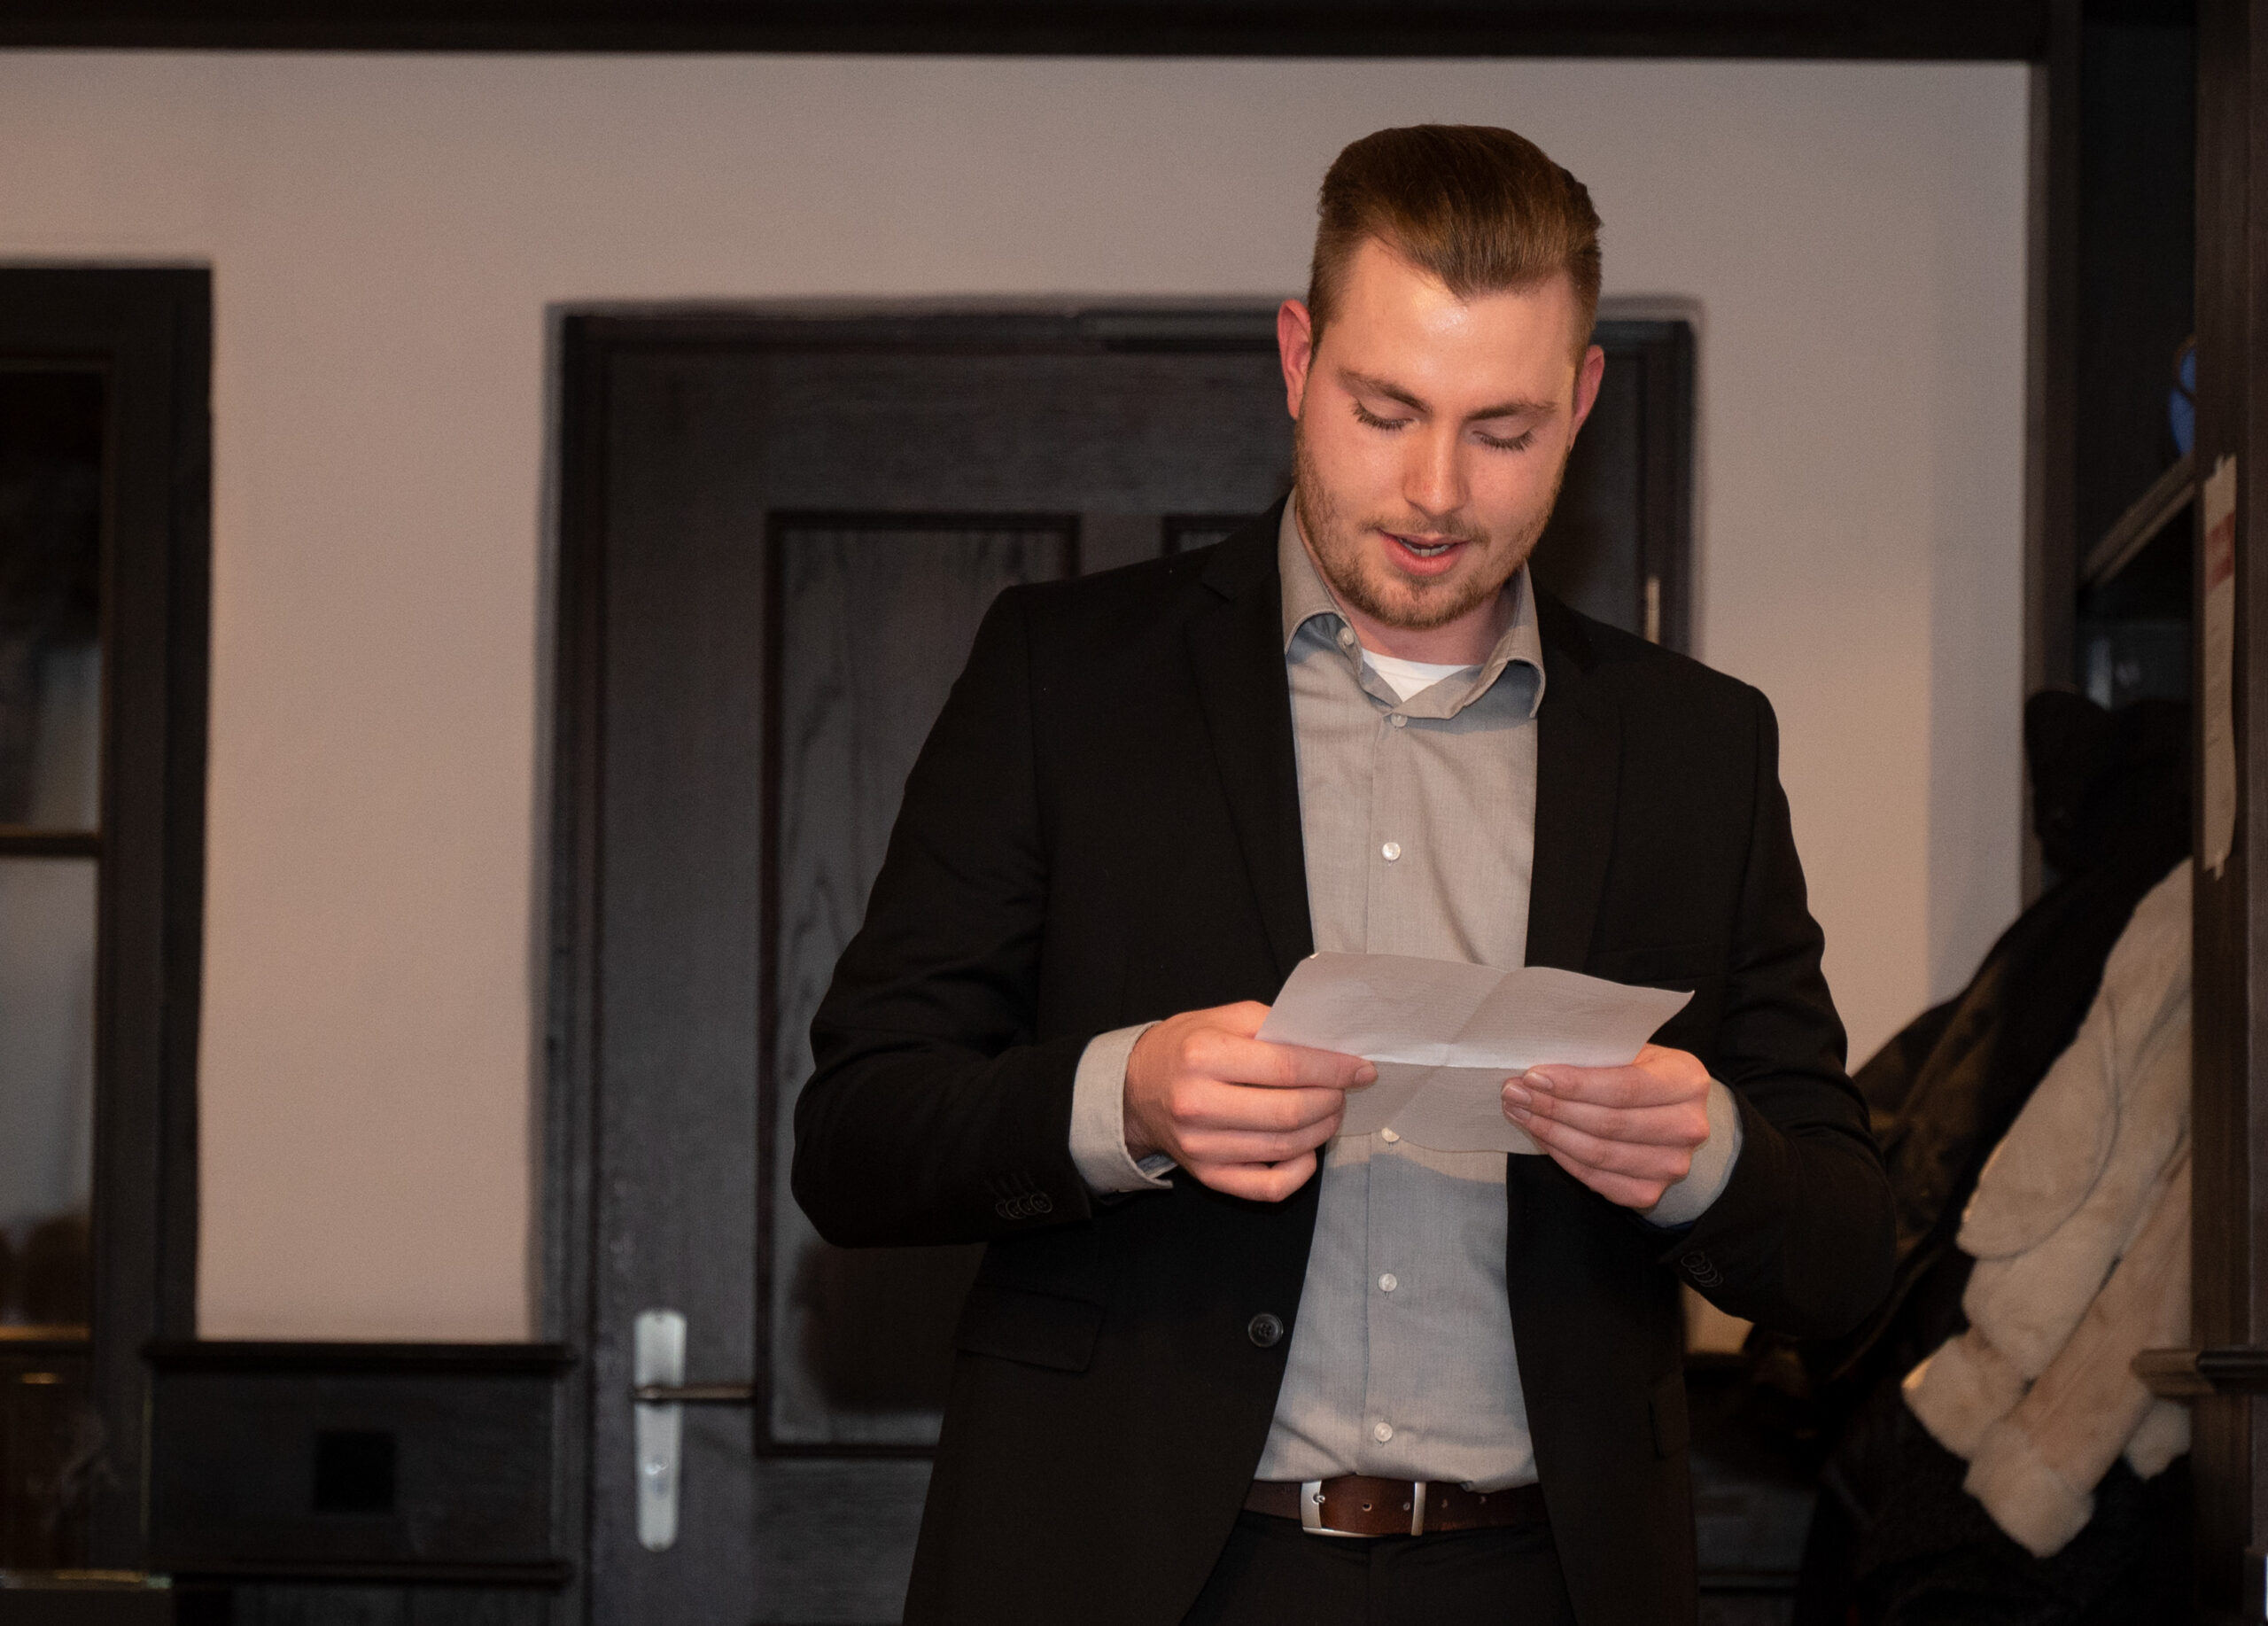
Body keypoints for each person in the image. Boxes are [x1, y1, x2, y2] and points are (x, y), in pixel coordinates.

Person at [795, 123, 1895, 1626]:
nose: (1438, 490)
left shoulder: (1699, 747)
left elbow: (1848, 1248)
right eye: (1388, 411)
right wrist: (1125, 1098)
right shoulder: (1068, 680)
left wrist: (1703, 1152)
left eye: (1503, 431)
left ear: (1580, 402)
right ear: (1298, 360)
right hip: (1132, 1571)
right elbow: (854, 1137)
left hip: (1551, 1581)